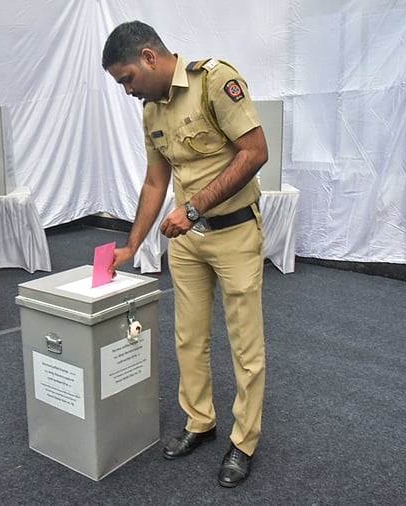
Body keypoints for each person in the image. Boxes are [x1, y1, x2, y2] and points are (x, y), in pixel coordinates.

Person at [102, 21, 269, 488]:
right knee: (188, 339)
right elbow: (156, 181)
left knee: (245, 347)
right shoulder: (152, 111)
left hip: (234, 232)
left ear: (150, 58)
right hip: (188, 243)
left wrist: (194, 208)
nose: (128, 90)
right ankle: (201, 422)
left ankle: (244, 440)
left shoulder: (215, 80)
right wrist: (132, 244)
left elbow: (255, 152)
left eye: (128, 79)